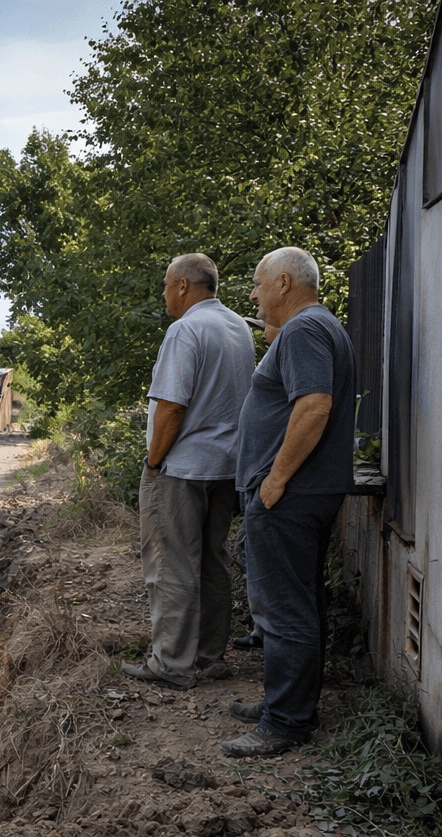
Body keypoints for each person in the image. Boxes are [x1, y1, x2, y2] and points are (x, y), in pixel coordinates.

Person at [221, 246, 355, 757]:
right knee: (298, 603)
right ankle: (287, 705)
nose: (253, 295)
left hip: (291, 495)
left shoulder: (302, 330)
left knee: (283, 609)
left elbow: (314, 405)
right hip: (305, 493)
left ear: (282, 282)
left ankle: (285, 723)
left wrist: (273, 481)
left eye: (256, 284)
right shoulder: (320, 327)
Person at [122, 253, 255, 690]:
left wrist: (155, 461)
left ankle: (172, 664)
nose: (162, 294)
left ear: (183, 286)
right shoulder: (238, 327)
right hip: (226, 467)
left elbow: (173, 405)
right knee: (214, 561)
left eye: (165, 285)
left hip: (182, 469)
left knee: (172, 563)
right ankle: (209, 658)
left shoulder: (185, 330)